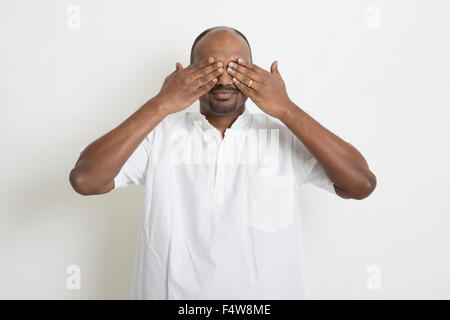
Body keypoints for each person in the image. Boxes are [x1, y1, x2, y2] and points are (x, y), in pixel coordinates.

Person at [69, 26, 376, 299]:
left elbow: (360, 183)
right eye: (210, 67)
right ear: (188, 73)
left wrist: (285, 108)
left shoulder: (284, 135)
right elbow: (86, 179)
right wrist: (161, 103)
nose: (224, 79)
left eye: (236, 67)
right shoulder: (158, 135)